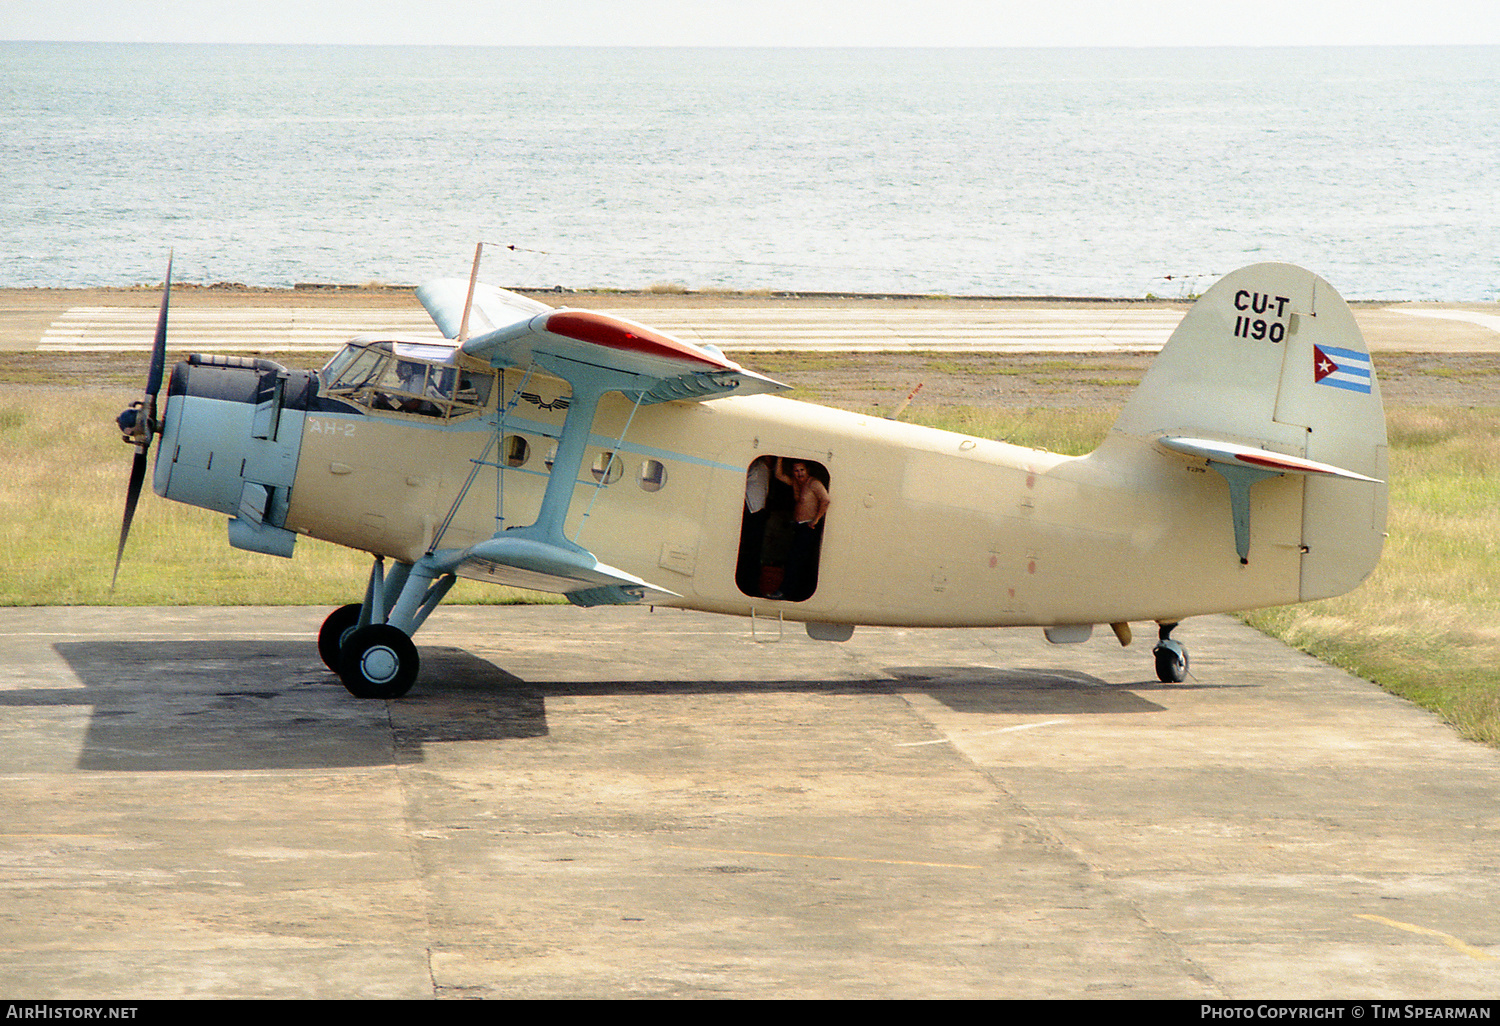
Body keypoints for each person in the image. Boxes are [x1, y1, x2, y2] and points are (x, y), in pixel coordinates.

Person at [768, 457, 830, 601]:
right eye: (796, 471)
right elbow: (778, 475)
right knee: (794, 559)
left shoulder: (813, 483)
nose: (799, 473)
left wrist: (816, 519)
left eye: (802, 470)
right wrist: (780, 457)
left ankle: (785, 592)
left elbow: (825, 500)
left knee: (795, 561)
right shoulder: (797, 483)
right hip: (799, 526)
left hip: (808, 527)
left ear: (807, 470)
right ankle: (792, 591)